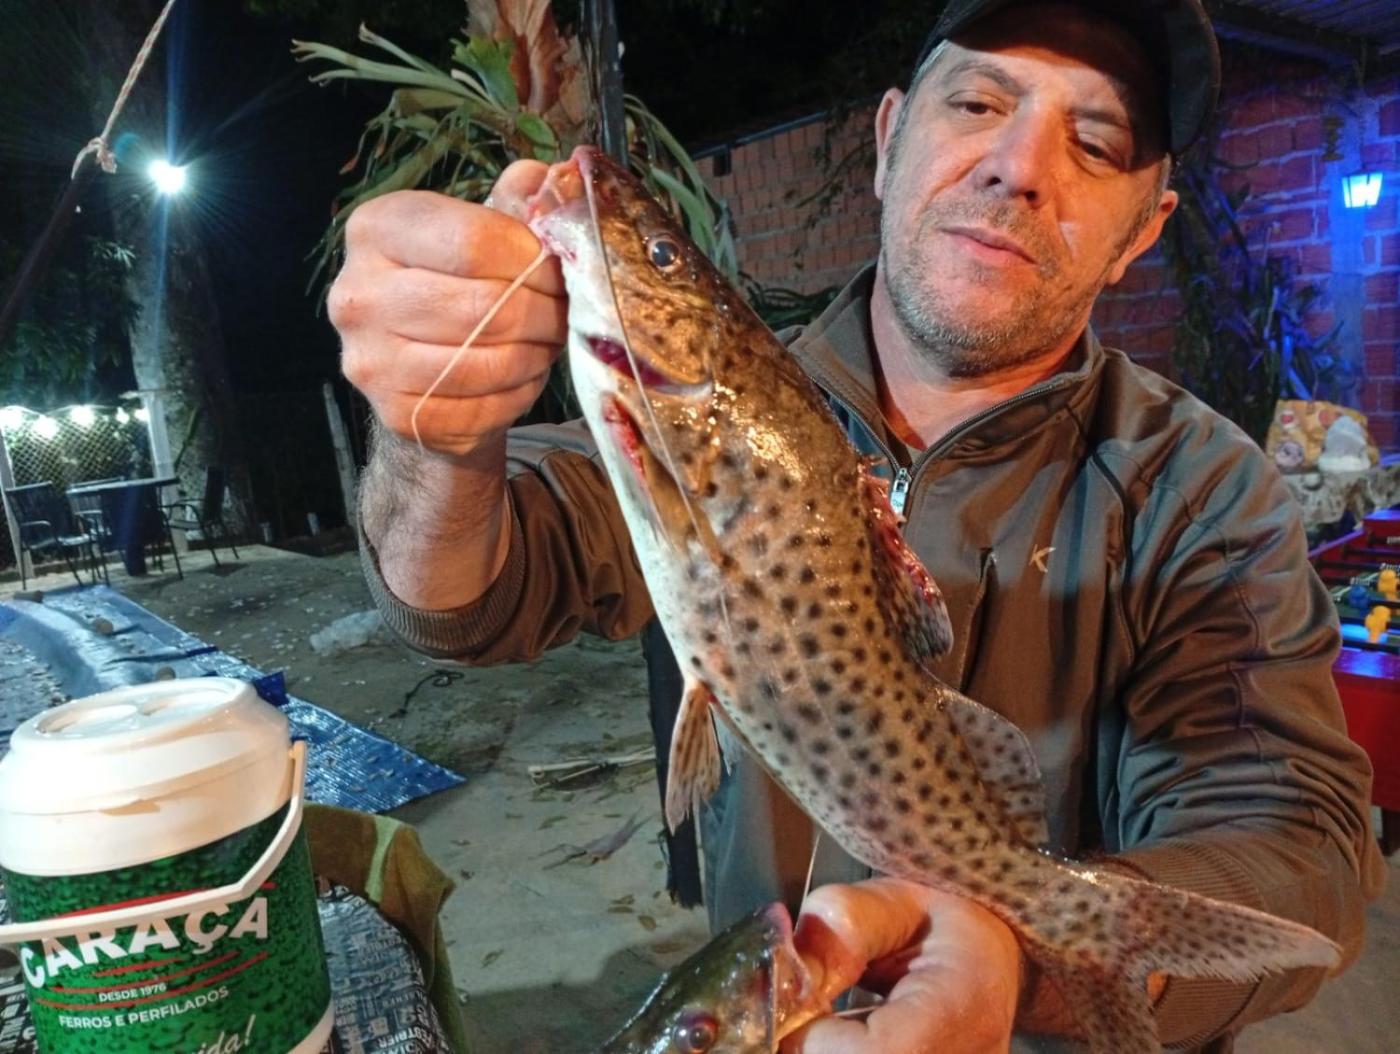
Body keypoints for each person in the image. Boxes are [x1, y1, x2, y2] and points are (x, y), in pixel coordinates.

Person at [331, 1, 1386, 1050]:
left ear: (1141, 232)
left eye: (1095, 143)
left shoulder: (1203, 489)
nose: (1018, 165)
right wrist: (439, 439)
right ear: (887, 140)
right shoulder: (721, 409)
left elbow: (1302, 846)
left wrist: (1019, 962)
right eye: (978, 103)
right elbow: (464, 596)